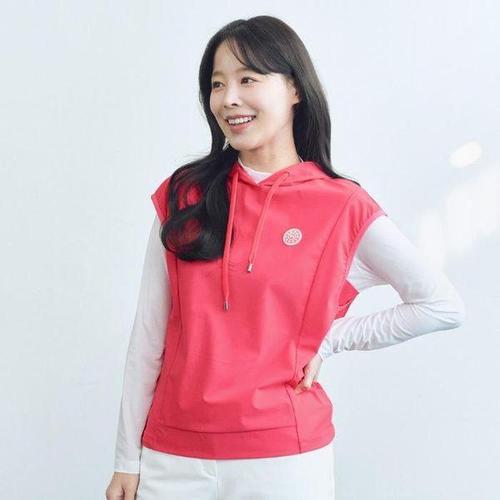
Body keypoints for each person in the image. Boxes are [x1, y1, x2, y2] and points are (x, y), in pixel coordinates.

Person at [106, 15, 465, 500]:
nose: (228, 98)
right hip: (173, 458)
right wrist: (127, 459)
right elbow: (147, 338)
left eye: (247, 79)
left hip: (284, 460)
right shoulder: (184, 196)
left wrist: (329, 340)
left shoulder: (342, 206)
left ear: (294, 88)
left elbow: (441, 306)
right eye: (217, 84)